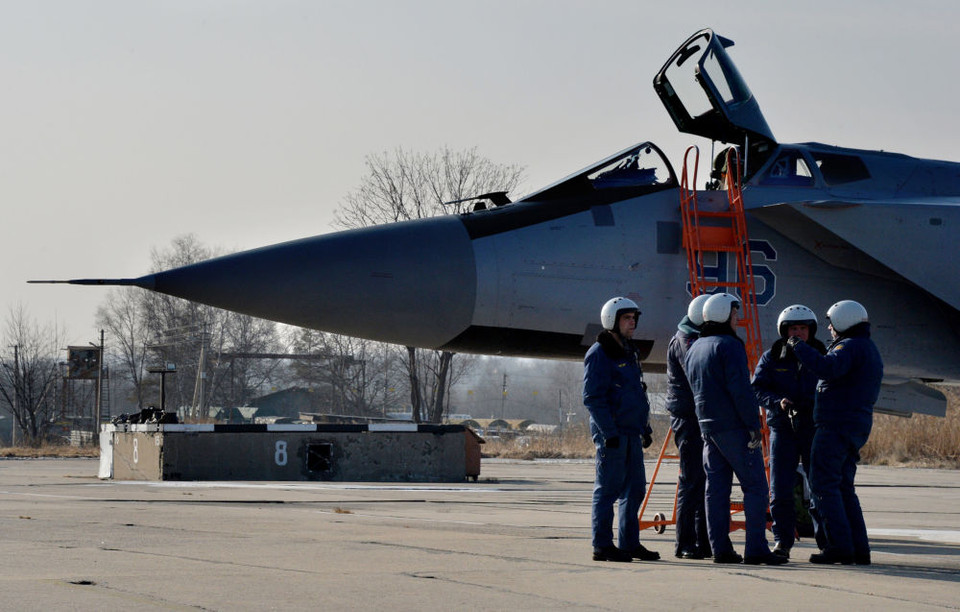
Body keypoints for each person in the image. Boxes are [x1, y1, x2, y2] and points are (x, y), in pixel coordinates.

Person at [683, 293, 787, 565]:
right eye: (734, 313)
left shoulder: (695, 346)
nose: (737, 318)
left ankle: (721, 549)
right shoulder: (729, 346)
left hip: (707, 428)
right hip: (734, 428)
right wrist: (753, 425)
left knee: (716, 490)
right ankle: (756, 549)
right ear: (723, 315)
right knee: (755, 487)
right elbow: (740, 390)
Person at [787, 300, 883, 565]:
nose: (828, 327)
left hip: (835, 427)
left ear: (843, 321)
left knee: (823, 484)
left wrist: (798, 346)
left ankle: (839, 546)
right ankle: (858, 549)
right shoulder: (866, 347)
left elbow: (827, 368)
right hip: (851, 426)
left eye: (831, 322)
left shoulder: (849, 347)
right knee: (843, 487)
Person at [583, 296, 660, 562]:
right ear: (612, 321)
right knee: (608, 488)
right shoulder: (599, 353)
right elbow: (593, 397)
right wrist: (609, 433)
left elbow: (637, 392)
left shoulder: (630, 350)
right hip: (612, 434)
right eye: (627, 318)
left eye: (634, 318)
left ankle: (629, 543)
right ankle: (602, 545)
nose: (632, 323)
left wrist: (645, 427)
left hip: (631, 432)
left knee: (636, 488)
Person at [752, 305, 827, 559]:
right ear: (785, 331)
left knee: (819, 485)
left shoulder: (820, 356)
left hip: (812, 428)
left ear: (810, 331)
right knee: (780, 487)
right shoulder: (772, 357)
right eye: (793, 328)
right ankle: (782, 541)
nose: (798, 333)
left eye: (803, 328)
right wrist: (779, 402)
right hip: (783, 428)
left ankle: (826, 542)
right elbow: (757, 388)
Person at [664, 293, 712, 559]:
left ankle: (703, 541)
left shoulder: (693, 338)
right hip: (689, 419)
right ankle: (684, 542)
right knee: (691, 480)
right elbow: (699, 374)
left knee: (704, 481)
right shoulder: (686, 341)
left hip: (698, 416)